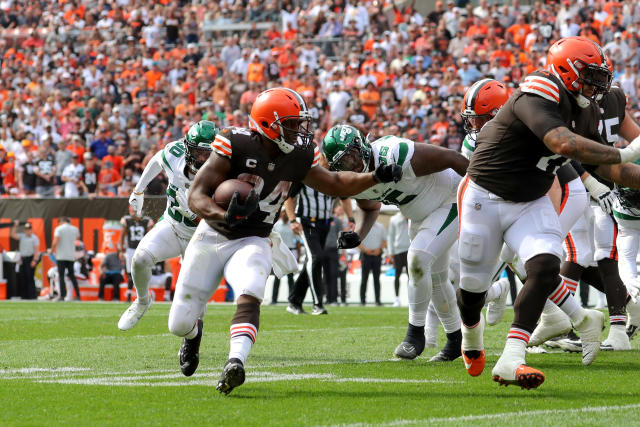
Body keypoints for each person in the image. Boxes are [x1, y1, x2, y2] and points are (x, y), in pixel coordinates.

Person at [168, 87, 402, 395]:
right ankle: (194, 333)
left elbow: (332, 183)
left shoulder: (299, 154)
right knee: (179, 323)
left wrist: (375, 177)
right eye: (291, 123)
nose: (298, 130)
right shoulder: (234, 144)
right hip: (212, 234)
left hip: (254, 236)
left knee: (251, 290)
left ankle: (235, 361)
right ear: (268, 124)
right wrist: (223, 214)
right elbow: (196, 195)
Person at [457, 37, 640, 389]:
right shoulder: (539, 90)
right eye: (590, 75)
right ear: (565, 71)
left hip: (530, 198)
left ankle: (512, 357)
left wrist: (628, 163)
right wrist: (623, 154)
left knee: (543, 266)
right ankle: (470, 337)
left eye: (601, 76)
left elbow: (609, 168)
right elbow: (561, 143)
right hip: (484, 193)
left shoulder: (588, 110)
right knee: (472, 291)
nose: (598, 85)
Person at [322, 123, 468, 363]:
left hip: (449, 199)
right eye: (345, 163)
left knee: (418, 258)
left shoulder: (394, 152)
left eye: (353, 155)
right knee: (437, 278)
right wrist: (358, 234)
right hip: (421, 214)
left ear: (361, 146)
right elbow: (370, 209)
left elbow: (452, 157)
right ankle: (455, 341)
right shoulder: (357, 180)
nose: (353, 164)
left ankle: (415, 335)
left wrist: (484, 191)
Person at [118, 120, 219, 331]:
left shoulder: (224, 169)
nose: (202, 158)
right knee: (140, 259)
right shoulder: (175, 153)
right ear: (189, 148)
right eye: (199, 152)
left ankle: (191, 339)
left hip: (202, 236)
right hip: (173, 225)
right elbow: (156, 160)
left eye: (207, 153)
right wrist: (138, 190)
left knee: (195, 304)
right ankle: (143, 300)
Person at [284, 177, 354, 315]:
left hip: (325, 223)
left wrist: (350, 218)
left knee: (311, 262)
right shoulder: (306, 175)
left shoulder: (335, 176)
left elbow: (345, 198)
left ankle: (294, 301)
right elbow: (288, 197)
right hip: (306, 222)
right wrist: (292, 220)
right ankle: (318, 304)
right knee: (317, 258)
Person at [119, 207, 154, 302]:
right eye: (134, 211)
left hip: (142, 249)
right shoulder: (127, 220)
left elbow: (150, 235)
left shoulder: (146, 221)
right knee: (130, 273)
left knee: (143, 271)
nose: (135, 213)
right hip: (130, 249)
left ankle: (145, 295)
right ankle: (129, 295)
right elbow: (122, 235)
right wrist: (121, 249)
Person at [270, 212, 298, 305]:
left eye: (286, 212)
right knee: (277, 276)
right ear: (281, 214)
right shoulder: (277, 225)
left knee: (291, 277)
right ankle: (274, 299)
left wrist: (298, 254)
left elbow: (297, 241)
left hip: (290, 251)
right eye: (284, 212)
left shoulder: (292, 225)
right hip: (279, 252)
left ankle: (292, 299)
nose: (285, 214)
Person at [52, 217, 81, 301]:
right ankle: (78, 295)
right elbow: (78, 239)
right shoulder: (75, 229)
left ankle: (62, 296)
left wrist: (52, 249)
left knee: (61, 275)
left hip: (61, 256)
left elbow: (56, 240)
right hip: (71, 256)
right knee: (72, 275)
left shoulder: (59, 229)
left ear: (62, 221)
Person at [358, 221, 386, 306]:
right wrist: (365, 249)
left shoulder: (381, 227)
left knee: (376, 279)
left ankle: (377, 300)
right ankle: (362, 301)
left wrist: (380, 249)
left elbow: (385, 241)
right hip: (365, 255)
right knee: (364, 279)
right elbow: (357, 241)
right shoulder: (361, 227)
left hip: (377, 255)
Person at [10, 221, 40, 299]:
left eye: (29, 229)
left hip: (30, 258)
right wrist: (15, 226)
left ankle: (31, 296)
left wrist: (34, 260)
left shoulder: (34, 238)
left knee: (30, 277)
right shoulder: (22, 236)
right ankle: (24, 296)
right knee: (22, 277)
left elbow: (37, 250)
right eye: (26, 229)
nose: (28, 230)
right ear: (24, 230)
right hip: (22, 259)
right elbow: (13, 235)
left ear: (31, 229)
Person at [387, 212, 410, 307]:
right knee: (397, 275)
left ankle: (411, 299)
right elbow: (390, 236)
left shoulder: (412, 216)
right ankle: (397, 298)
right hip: (398, 251)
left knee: (411, 277)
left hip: (410, 249)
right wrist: (390, 252)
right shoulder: (394, 219)